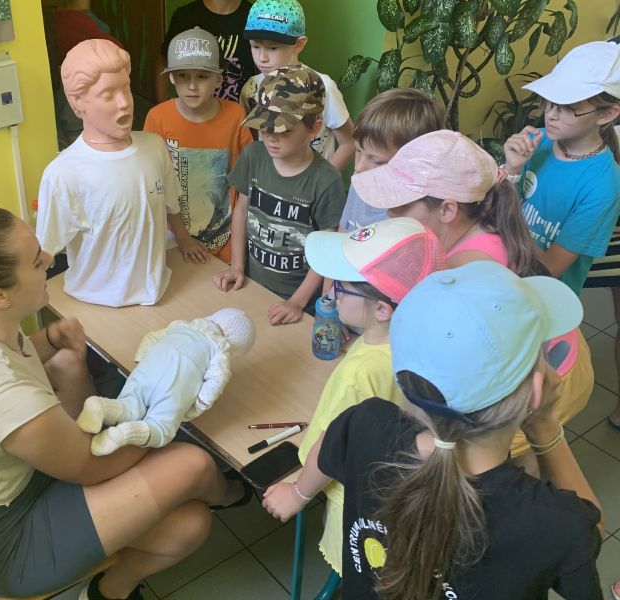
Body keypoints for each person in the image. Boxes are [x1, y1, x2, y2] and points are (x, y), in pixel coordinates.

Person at [0, 206, 247, 600]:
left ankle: (109, 590)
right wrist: (162, 420)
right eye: (36, 261)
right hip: (4, 546)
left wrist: (50, 340)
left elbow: (16, 370)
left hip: (12, 490)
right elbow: (92, 466)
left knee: (191, 523)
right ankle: (234, 495)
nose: (49, 260)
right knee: (192, 464)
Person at [264, 261, 603, 598]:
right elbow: (591, 535)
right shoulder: (556, 523)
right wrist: (546, 431)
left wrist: (298, 494)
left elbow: (327, 446)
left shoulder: (366, 422)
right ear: (536, 393)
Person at [352, 129, 594, 469]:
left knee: (500, 463)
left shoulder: (467, 268)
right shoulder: (484, 220)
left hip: (549, 379)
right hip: (557, 355)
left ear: (448, 210)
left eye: (400, 204)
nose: (389, 213)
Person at [273, 217, 446, 576]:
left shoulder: (361, 370)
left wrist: (297, 493)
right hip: (389, 483)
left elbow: (333, 440)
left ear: (383, 309)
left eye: (341, 286)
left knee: (353, 568)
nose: (330, 292)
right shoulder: (414, 341)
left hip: (345, 488)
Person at [36, 39, 199, 308]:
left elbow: (171, 203)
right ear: (78, 103)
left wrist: (184, 238)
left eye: (126, 89)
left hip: (161, 291)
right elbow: (45, 249)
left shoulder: (154, 147)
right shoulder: (63, 173)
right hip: (94, 301)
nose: (124, 103)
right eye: (108, 95)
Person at [213, 65, 345, 325]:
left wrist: (297, 302)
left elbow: (327, 248)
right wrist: (236, 266)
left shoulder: (326, 181)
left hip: (299, 302)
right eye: (265, 126)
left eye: (284, 130)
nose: (271, 137)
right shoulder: (253, 156)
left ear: (314, 128)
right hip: (251, 284)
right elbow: (241, 209)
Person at [503, 40, 620, 294]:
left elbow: (548, 270)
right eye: (549, 101)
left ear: (607, 114)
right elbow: (494, 211)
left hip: (542, 295)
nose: (551, 115)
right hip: (503, 267)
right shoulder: (537, 141)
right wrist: (512, 170)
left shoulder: (603, 187)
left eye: (567, 109)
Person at [77, 308, 255, 456]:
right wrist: (198, 404)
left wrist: (142, 362)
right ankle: (124, 434)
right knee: (161, 429)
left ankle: (101, 406)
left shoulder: (181, 325)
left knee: (129, 403)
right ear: (236, 348)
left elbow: (151, 338)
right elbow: (217, 379)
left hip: (148, 370)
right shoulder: (221, 348)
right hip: (173, 389)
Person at [144, 27, 253, 263]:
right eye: (183, 75)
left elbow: (248, 180)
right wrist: (182, 237)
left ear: (219, 78)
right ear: (171, 77)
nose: (192, 86)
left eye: (202, 76)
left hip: (226, 243)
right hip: (172, 240)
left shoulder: (236, 116)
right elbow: (156, 186)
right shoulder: (157, 118)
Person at [239, 0, 355, 172]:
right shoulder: (251, 88)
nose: (262, 58)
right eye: (255, 46)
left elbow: (349, 142)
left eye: (273, 48)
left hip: (312, 184)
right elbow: (255, 143)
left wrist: (324, 182)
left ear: (298, 44)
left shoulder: (323, 86)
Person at [337, 87, 444, 232]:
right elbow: (342, 234)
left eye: (377, 161)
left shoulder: (417, 215)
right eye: (358, 150)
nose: (359, 167)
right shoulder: (361, 179)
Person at [156, 0, 255, 103]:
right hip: (193, 108)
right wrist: (161, 105)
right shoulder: (185, 16)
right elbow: (163, 62)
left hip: (242, 108)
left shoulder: (254, 16)